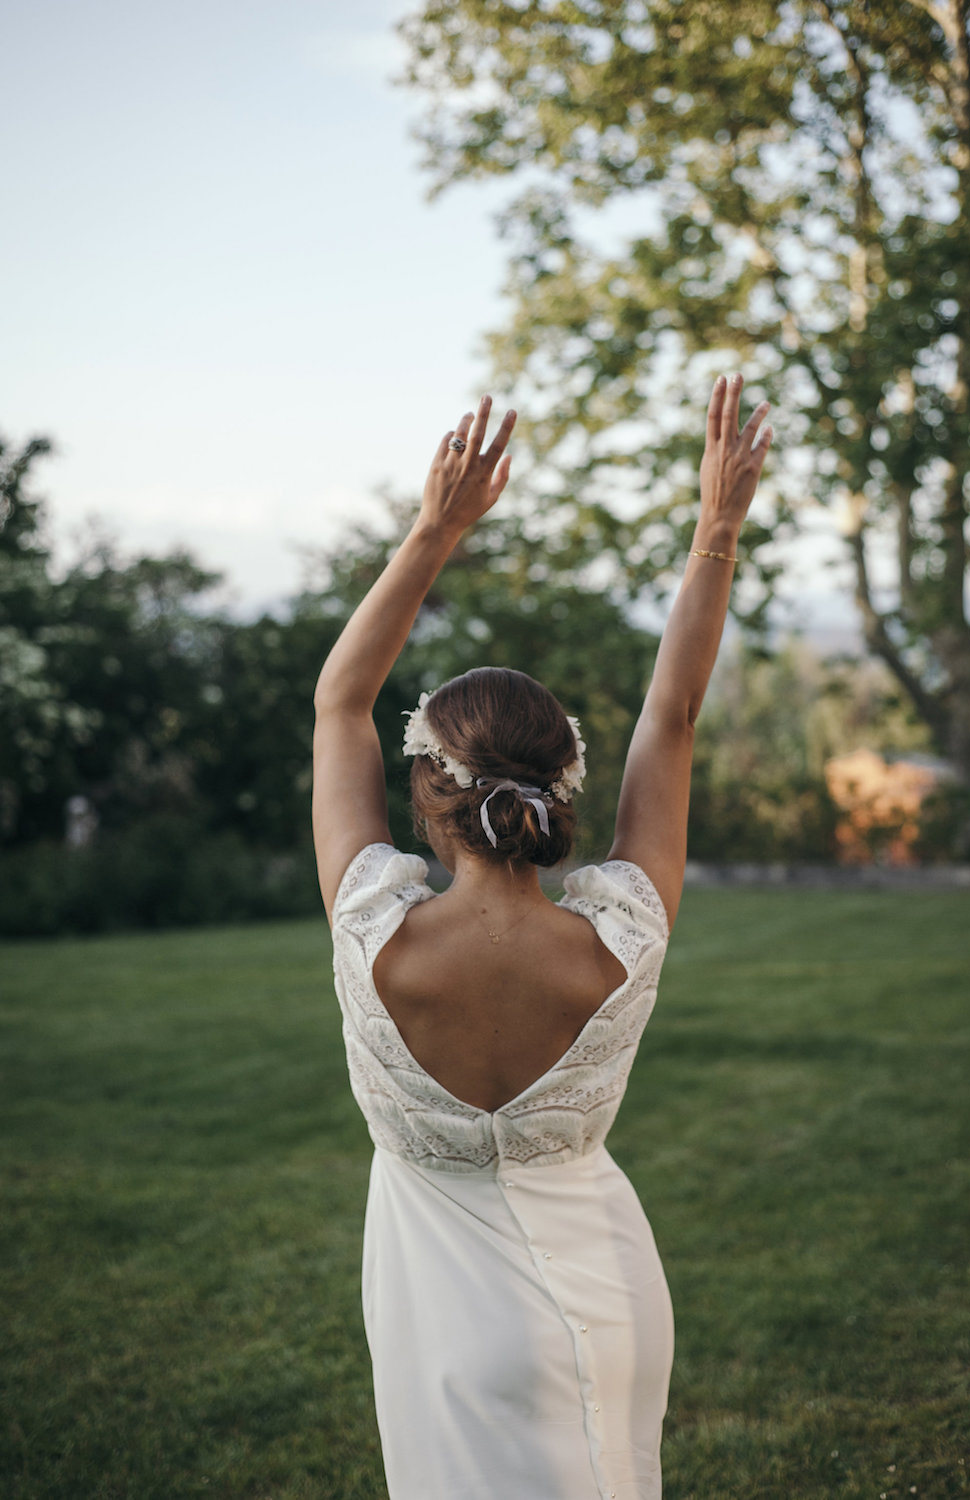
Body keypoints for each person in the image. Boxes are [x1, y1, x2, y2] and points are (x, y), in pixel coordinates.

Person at [312, 377, 772, 1499]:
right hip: (614, 1301)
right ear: (557, 787)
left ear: (428, 791)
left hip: (449, 1333)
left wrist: (436, 528)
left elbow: (337, 705)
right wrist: (715, 531)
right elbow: (671, 718)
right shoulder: (619, 936)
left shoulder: (374, 931)